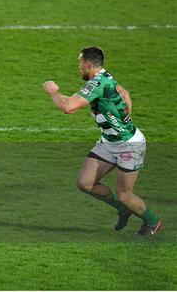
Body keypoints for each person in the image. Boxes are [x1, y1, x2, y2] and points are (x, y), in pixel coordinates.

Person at [42, 46, 162, 236]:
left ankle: (152, 222)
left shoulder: (96, 84)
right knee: (85, 183)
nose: (79, 69)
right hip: (109, 142)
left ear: (88, 65)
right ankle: (123, 209)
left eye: (80, 65)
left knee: (124, 195)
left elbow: (68, 107)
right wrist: (125, 115)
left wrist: (53, 92)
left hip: (129, 144)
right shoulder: (104, 77)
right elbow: (125, 93)